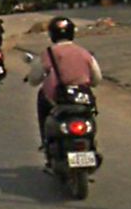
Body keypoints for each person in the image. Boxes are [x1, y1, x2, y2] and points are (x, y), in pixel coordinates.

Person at [28, 17, 102, 147]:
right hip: (81, 98)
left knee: (41, 96)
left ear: (52, 34)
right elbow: (96, 79)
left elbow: (34, 79)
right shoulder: (84, 53)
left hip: (58, 99)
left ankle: (45, 140)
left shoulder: (49, 53)